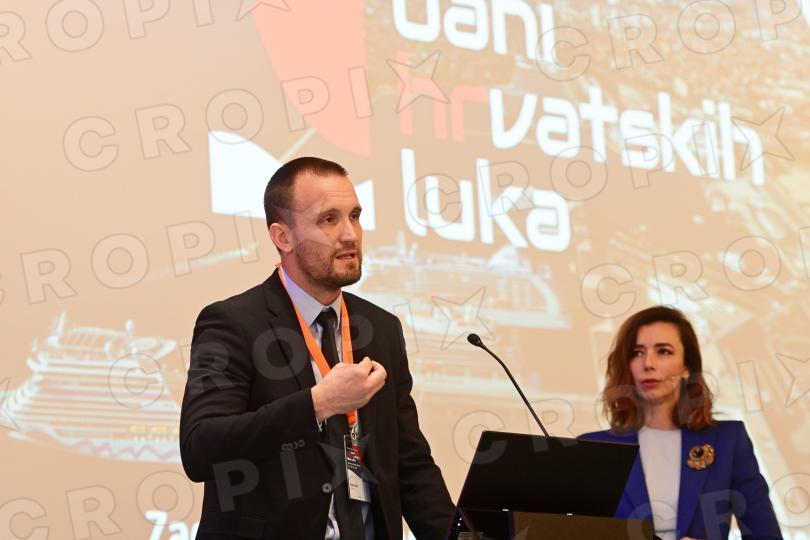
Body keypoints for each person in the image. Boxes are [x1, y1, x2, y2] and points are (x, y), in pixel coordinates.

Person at [179, 157, 455, 539]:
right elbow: (201, 447)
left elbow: (409, 464)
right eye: (329, 220)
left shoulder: (381, 329)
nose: (350, 234)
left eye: (354, 216)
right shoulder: (233, 323)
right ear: (283, 237)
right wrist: (317, 404)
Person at [579, 306, 782, 540]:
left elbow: (766, 535)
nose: (648, 363)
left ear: (687, 367)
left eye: (663, 351)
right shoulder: (593, 449)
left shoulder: (728, 441)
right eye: (637, 353)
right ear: (627, 365)